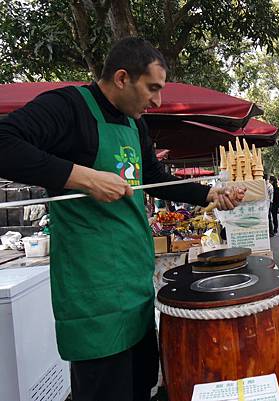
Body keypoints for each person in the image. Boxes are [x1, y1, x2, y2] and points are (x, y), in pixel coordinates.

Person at [0, 37, 245, 401]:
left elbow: (155, 176)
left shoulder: (135, 125)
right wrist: (82, 176)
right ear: (121, 78)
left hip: (134, 285)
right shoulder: (68, 108)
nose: (157, 101)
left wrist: (210, 194)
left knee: (140, 385)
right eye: (152, 88)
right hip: (93, 294)